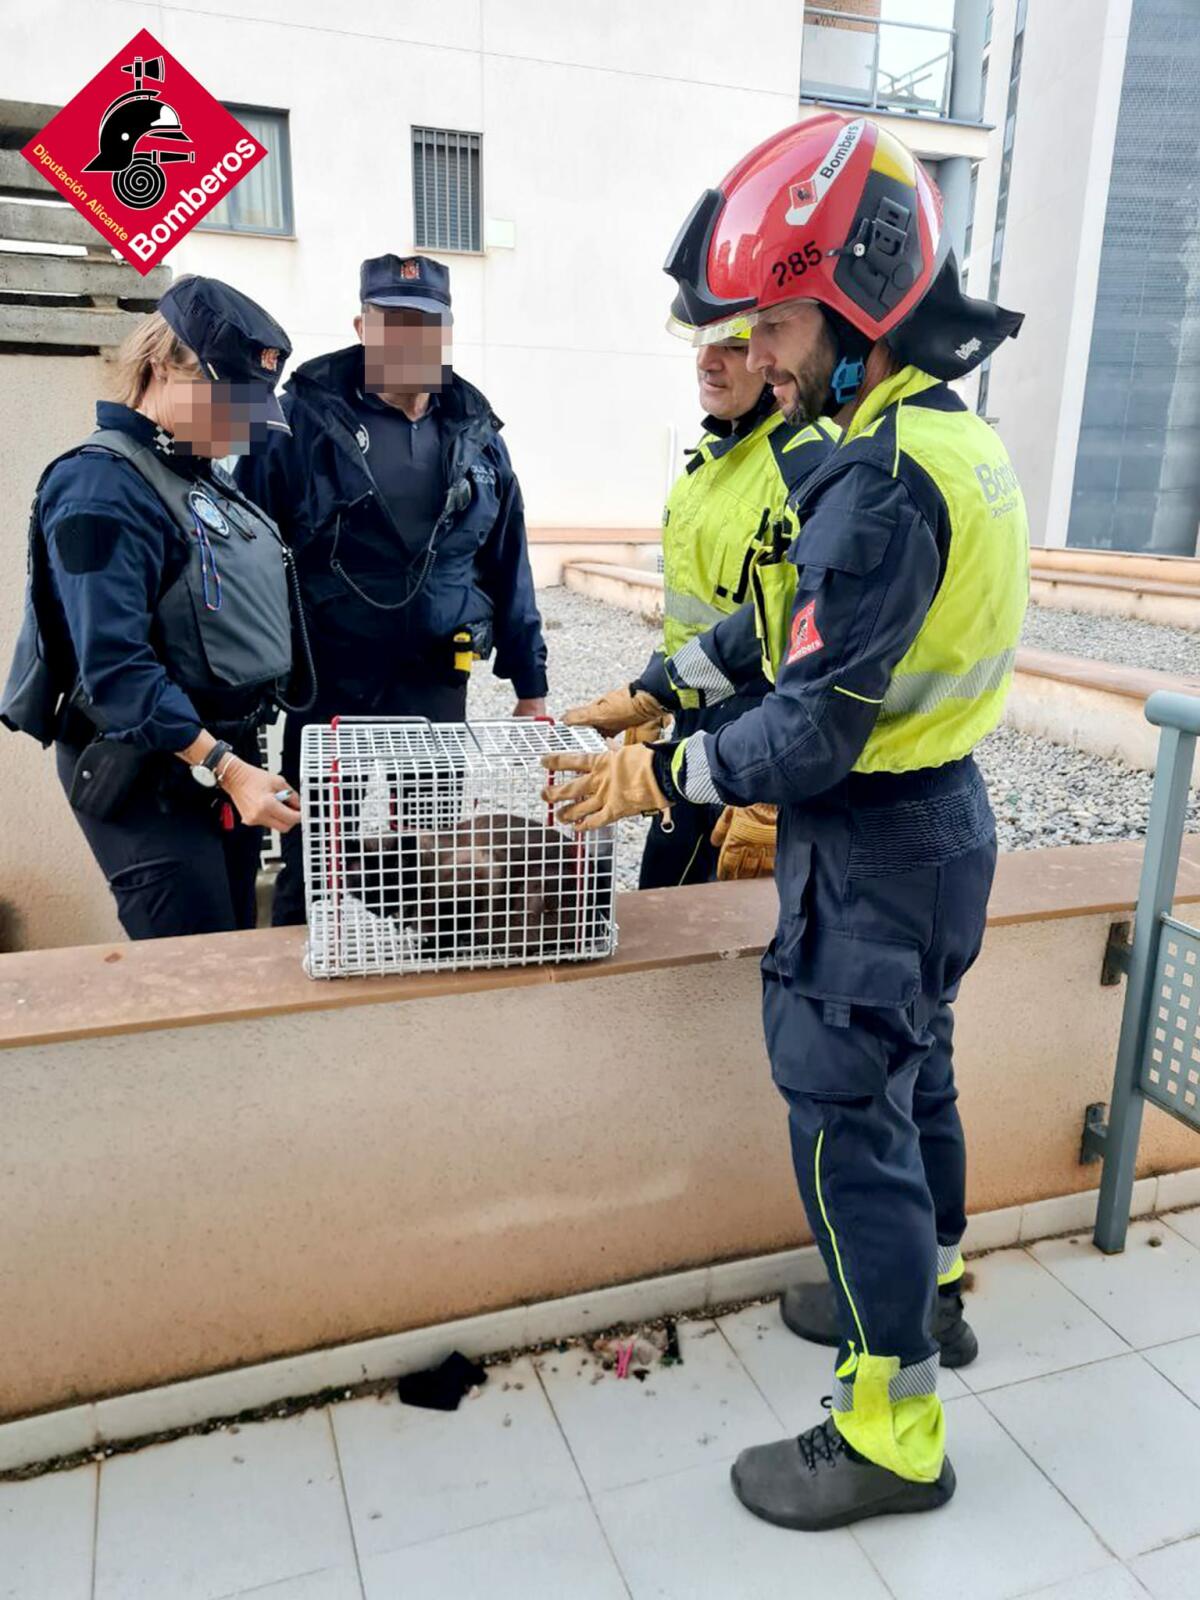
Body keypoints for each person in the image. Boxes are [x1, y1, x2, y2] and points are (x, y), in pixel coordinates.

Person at [543, 111, 1028, 1530]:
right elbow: (782, 640)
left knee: (843, 1125)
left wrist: (662, 777)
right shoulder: (945, 441)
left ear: (857, 309)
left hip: (874, 846)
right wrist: (653, 696)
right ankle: (928, 1292)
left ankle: (890, 1429)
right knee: (916, 1076)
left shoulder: (873, 486)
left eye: (781, 324)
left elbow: (813, 724)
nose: (761, 354)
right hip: (943, 825)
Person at [235, 253, 549, 927]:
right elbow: (249, 552)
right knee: (315, 850)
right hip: (329, 679)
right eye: (393, 322)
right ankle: (299, 977)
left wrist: (532, 686)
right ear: (362, 326)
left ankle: (411, 987)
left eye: (425, 325)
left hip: (435, 676)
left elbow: (507, 561)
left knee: (430, 853)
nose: (410, 339)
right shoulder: (297, 426)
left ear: (447, 335)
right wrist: (250, 681)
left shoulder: (477, 436)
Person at [1, 276, 302, 940]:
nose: (243, 424)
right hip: (145, 779)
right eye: (229, 400)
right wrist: (225, 765)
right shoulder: (99, 488)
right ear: (165, 365)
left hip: (219, 766)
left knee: (229, 953)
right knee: (190, 972)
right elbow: (115, 671)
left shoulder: (199, 479)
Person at [627, 329, 838, 889]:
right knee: (663, 904)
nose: (706, 361)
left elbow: (816, 640)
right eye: (702, 344)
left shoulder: (810, 466)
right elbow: (695, 611)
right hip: (695, 722)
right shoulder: (715, 461)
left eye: (731, 344)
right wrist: (652, 691)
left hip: (751, 748)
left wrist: (771, 795)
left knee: (717, 931)